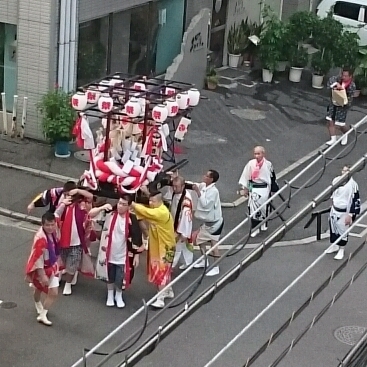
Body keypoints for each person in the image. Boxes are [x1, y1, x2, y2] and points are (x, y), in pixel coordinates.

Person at [91, 195, 143, 308]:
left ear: (129, 206)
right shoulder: (110, 214)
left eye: (124, 204)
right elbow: (91, 214)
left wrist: (136, 255)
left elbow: (137, 237)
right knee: (109, 275)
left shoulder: (132, 219)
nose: (120, 206)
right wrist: (102, 207)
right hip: (108, 251)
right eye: (119, 203)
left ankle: (118, 295)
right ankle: (110, 294)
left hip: (123, 253)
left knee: (120, 276)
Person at [131, 191, 176, 309]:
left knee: (161, 271)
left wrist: (133, 204)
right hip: (160, 246)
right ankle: (168, 290)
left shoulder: (161, 212)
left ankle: (160, 298)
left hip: (164, 247)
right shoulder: (157, 210)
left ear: (159, 201)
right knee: (165, 271)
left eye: (153, 201)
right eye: (149, 200)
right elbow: (145, 212)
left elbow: (146, 212)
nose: (150, 203)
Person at [54, 187, 94, 295]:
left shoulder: (82, 206)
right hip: (62, 241)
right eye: (67, 195)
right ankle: (58, 278)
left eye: (71, 196)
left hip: (77, 242)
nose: (68, 198)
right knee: (61, 262)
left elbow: (90, 196)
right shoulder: (62, 206)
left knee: (73, 265)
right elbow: (55, 216)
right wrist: (63, 204)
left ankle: (68, 284)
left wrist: (77, 190)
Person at [25, 212, 60, 326]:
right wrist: (42, 274)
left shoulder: (53, 232)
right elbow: (37, 258)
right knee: (39, 288)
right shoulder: (40, 239)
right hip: (43, 268)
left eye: (52, 224)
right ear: (42, 225)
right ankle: (37, 303)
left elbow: (58, 213)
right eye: (47, 225)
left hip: (52, 265)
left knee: (53, 292)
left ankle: (43, 314)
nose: (50, 227)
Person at [238, 146, 279, 238]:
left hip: (264, 189)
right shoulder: (250, 163)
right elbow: (246, 176)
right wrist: (245, 188)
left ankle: (264, 224)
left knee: (264, 208)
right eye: (255, 153)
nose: (256, 156)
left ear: (263, 154)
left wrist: (273, 189)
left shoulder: (268, 164)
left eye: (258, 153)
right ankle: (255, 228)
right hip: (254, 189)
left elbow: (272, 177)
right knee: (253, 210)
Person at [192, 170, 223, 277]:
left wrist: (198, 192)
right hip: (208, 222)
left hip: (215, 223)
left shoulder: (214, 191)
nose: (204, 176)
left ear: (211, 179)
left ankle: (216, 266)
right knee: (198, 240)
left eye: (206, 176)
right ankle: (204, 260)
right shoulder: (204, 186)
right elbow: (194, 185)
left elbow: (205, 204)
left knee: (214, 245)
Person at [325, 165, 360, 260]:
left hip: (345, 211)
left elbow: (355, 200)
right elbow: (332, 194)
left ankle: (342, 249)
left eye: (347, 171)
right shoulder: (336, 180)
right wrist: (332, 204)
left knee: (343, 230)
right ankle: (335, 245)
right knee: (333, 228)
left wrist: (351, 214)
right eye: (343, 171)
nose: (344, 173)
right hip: (335, 209)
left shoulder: (353, 185)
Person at [167, 175, 194, 270]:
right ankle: (188, 262)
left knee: (176, 248)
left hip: (180, 227)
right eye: (173, 186)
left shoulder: (186, 201)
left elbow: (186, 219)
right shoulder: (177, 192)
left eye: (176, 186)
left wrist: (183, 233)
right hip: (174, 222)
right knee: (184, 247)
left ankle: (170, 266)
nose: (174, 188)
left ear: (183, 186)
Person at [326, 68, 356, 146]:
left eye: (346, 76)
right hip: (333, 104)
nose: (343, 77)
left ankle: (345, 134)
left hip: (342, 107)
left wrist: (342, 94)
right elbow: (330, 82)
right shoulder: (337, 79)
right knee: (330, 121)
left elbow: (349, 99)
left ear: (350, 76)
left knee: (340, 124)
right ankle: (333, 138)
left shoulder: (352, 85)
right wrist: (336, 85)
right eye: (343, 75)